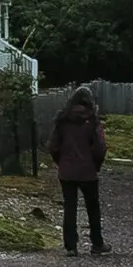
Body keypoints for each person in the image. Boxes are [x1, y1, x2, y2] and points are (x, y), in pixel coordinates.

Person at [47, 87, 108, 254]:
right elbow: (100, 147)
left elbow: (52, 145)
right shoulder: (92, 120)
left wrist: (61, 161)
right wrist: (96, 164)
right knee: (93, 206)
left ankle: (71, 245)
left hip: (67, 169)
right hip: (87, 170)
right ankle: (97, 243)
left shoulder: (63, 120)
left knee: (70, 207)